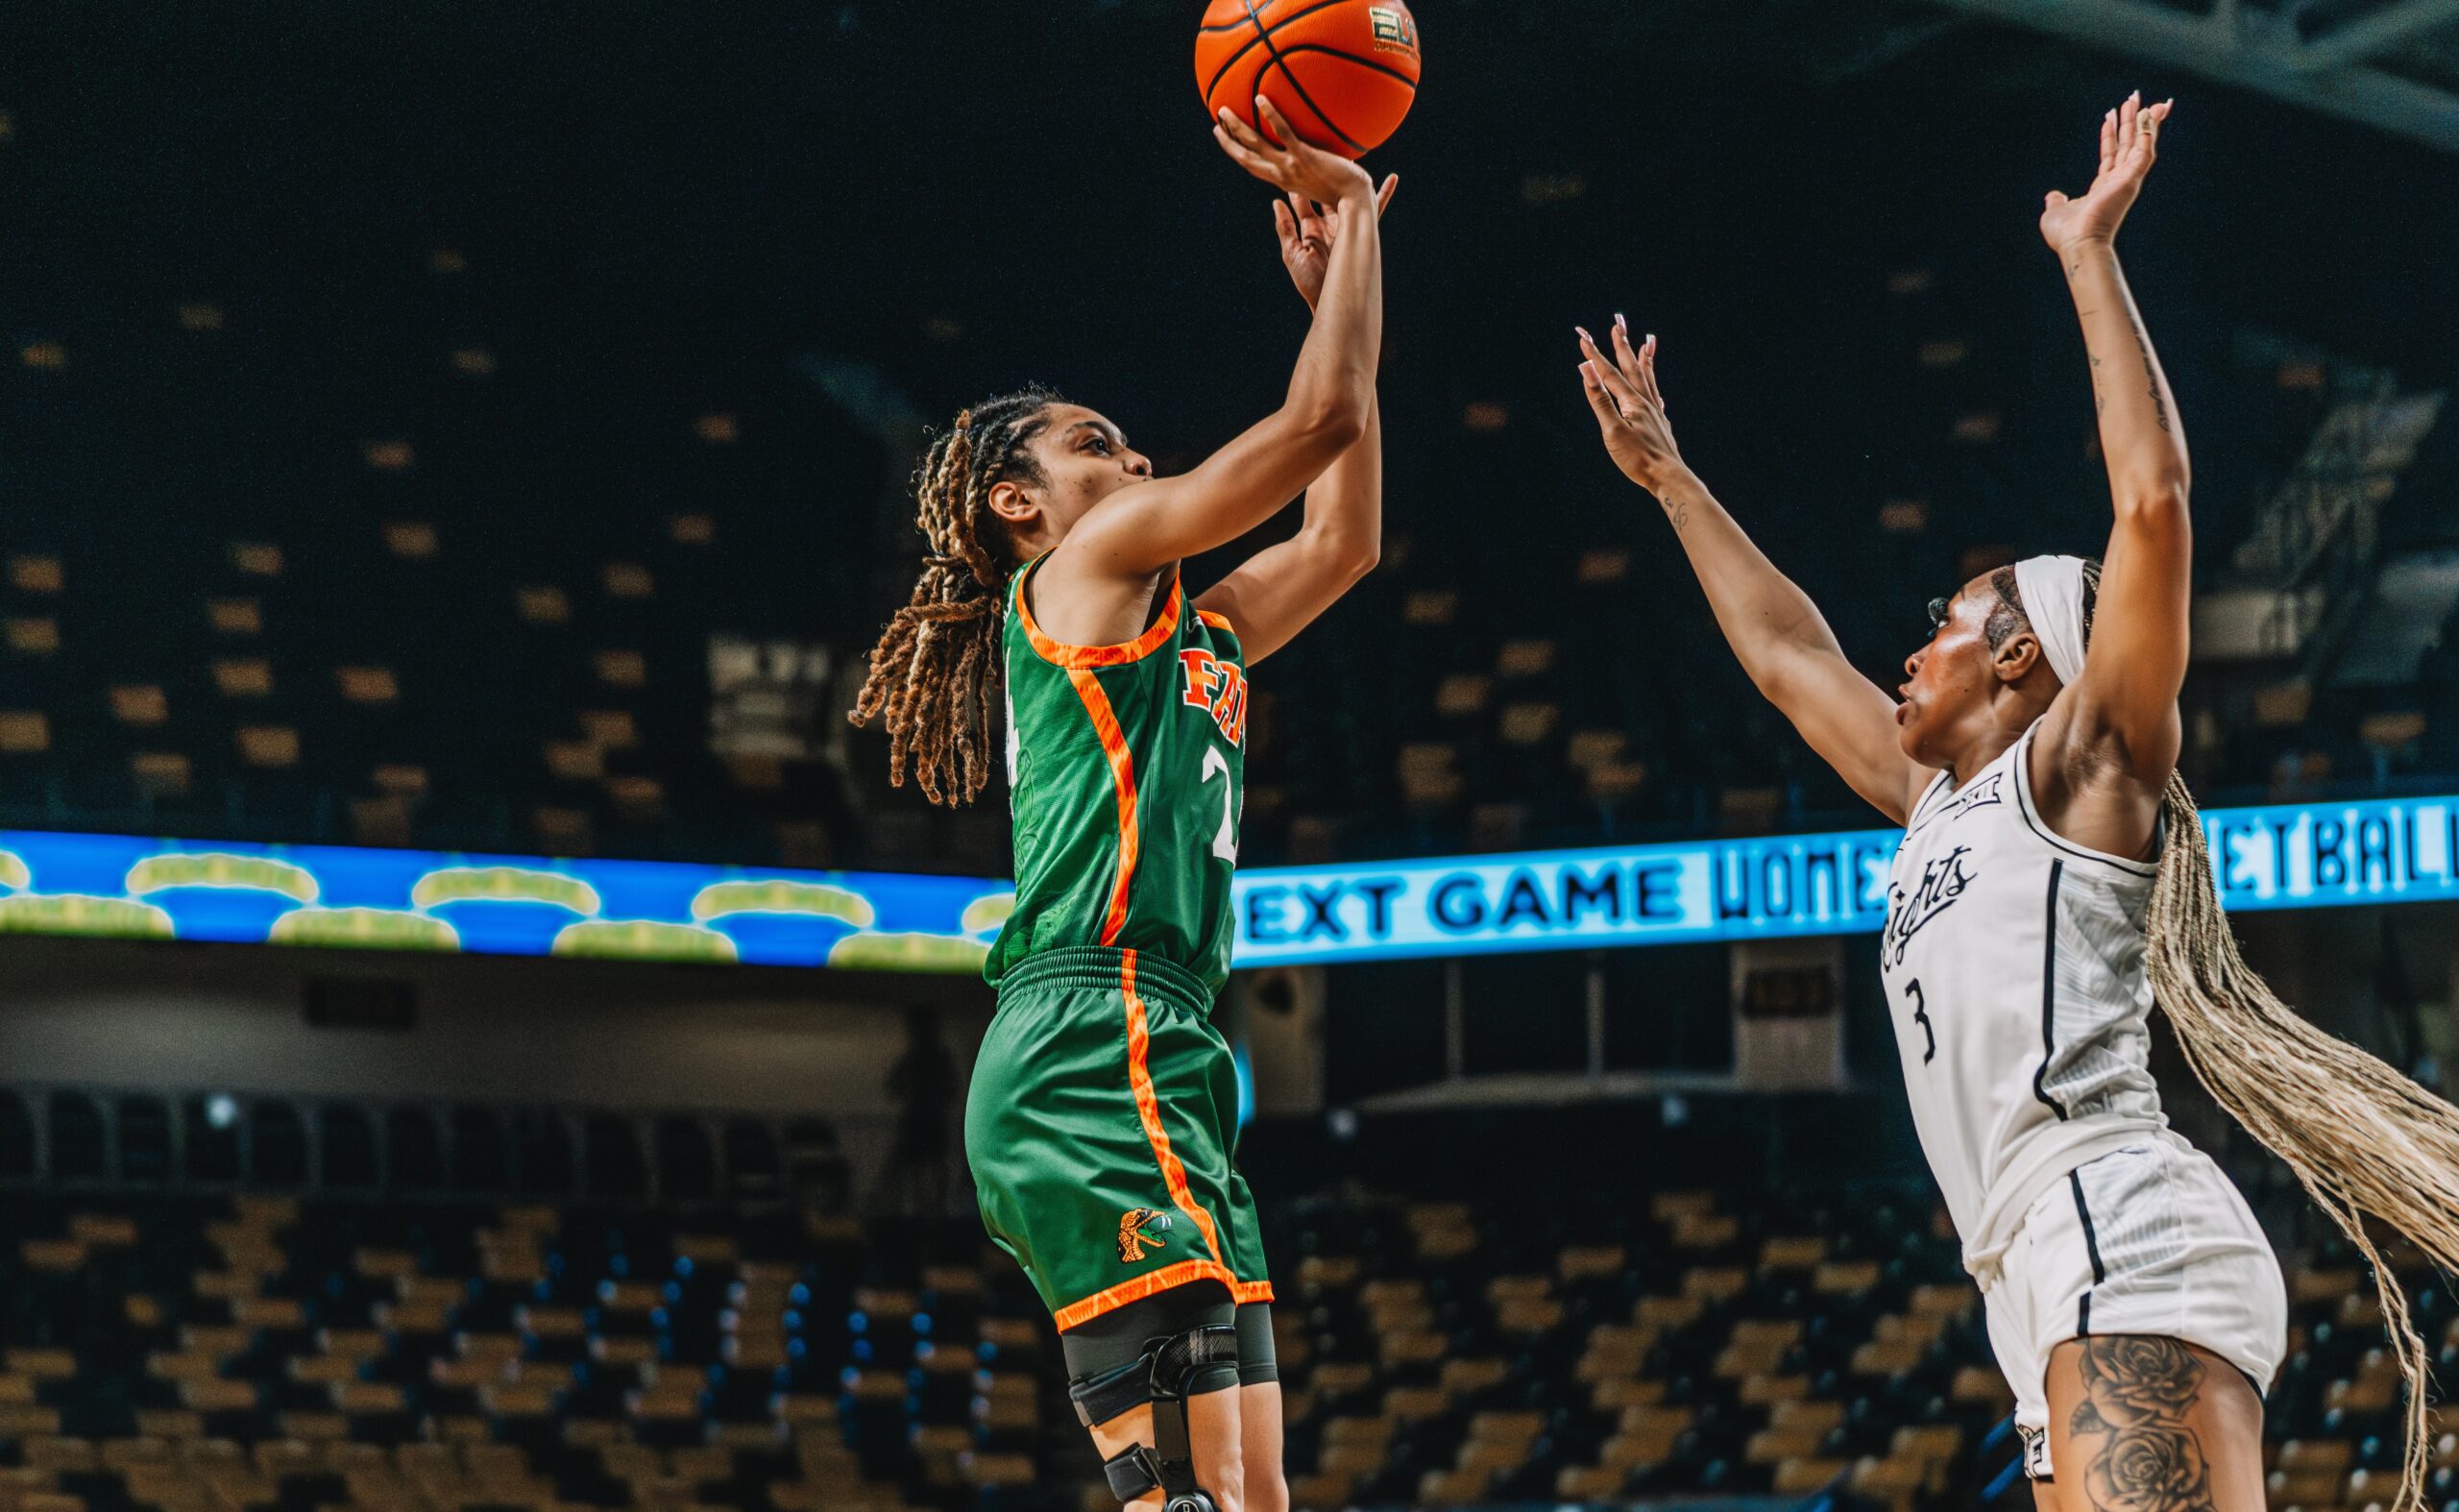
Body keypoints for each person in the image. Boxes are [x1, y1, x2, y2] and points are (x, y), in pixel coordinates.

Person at [1574, 96, 2459, 1510]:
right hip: (2027, 1260)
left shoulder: (2080, 765)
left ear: (2017, 655)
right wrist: (1673, 480)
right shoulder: (1937, 800)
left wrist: (2088, 253)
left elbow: (2154, 501)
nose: (1908, 643)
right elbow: (1792, 656)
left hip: (2116, 1213)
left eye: (1943, 618)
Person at [850, 97, 1393, 1512]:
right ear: (1020, 506)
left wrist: (1346, 287)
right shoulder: (1078, 575)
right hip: (1094, 1034)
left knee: (1245, 1500)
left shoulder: (1192, 633)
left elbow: (1345, 534)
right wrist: (1357, 243)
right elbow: (1315, 415)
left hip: (1164, 1043)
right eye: (1094, 446)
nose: (1135, 465)